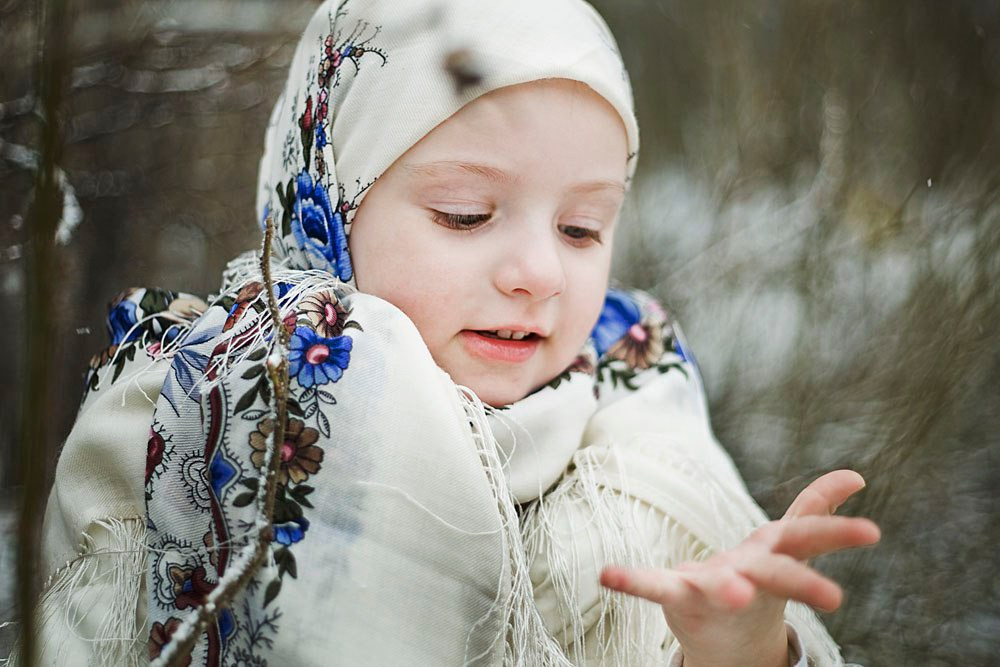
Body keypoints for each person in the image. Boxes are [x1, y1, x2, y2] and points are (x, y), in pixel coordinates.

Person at [19, 0, 879, 665]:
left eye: (583, 227)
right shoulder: (194, 411)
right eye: (466, 214)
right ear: (328, 211)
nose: (539, 271)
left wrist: (738, 649)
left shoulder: (638, 410)